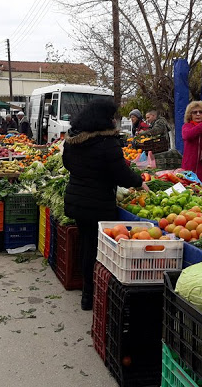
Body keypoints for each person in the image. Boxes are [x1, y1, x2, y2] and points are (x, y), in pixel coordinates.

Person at [63, 98, 149, 310]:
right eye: (112, 117)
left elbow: (67, 164)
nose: (114, 121)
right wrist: (139, 182)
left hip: (76, 199)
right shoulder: (107, 142)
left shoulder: (73, 140)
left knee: (86, 243)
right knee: (96, 248)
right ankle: (92, 294)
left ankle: (86, 294)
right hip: (98, 204)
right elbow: (121, 175)